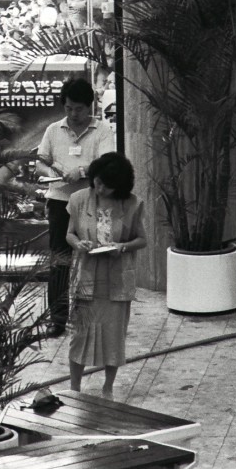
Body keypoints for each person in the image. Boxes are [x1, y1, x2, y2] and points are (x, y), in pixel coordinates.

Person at [37, 77, 115, 337]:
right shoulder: (53, 130)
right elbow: (40, 163)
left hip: (92, 202)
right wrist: (52, 172)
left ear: (89, 106)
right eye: (68, 108)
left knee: (96, 259)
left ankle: (96, 318)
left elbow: (107, 164)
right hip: (60, 203)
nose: (73, 114)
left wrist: (81, 171)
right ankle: (57, 319)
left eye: (78, 109)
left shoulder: (102, 130)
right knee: (59, 261)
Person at [65, 153, 147, 399]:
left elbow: (142, 240)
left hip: (117, 278)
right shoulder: (79, 199)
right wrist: (79, 244)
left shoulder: (132, 204)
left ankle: (108, 387)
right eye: (98, 182)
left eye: (106, 186)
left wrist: (122, 247)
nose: (99, 189)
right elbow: (70, 234)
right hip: (86, 275)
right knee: (80, 335)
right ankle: (74, 387)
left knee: (113, 336)